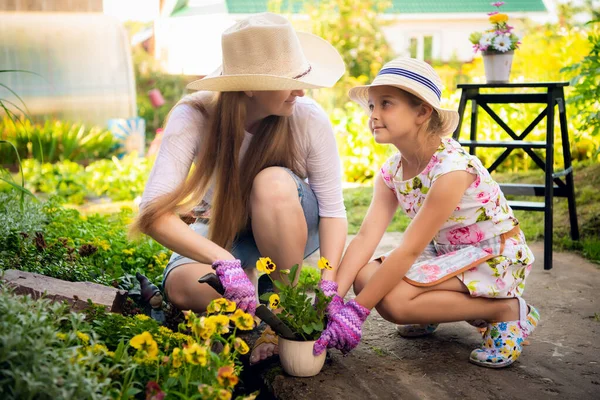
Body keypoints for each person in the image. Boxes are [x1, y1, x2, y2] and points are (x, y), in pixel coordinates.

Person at [132, 13, 348, 365]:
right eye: (290, 80)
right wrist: (224, 261)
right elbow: (153, 214)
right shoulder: (195, 116)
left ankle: (284, 306)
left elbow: (333, 212)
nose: (301, 89)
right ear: (249, 86)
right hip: (224, 228)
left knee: (272, 182)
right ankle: (252, 296)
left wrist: (329, 284)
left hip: (285, 220)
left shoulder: (307, 118)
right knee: (182, 288)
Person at [313, 57, 540, 369]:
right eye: (372, 106)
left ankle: (506, 311)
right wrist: (331, 297)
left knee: (394, 304)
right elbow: (366, 236)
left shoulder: (451, 171)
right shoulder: (392, 171)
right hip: (446, 253)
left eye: (386, 104)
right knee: (365, 279)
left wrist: (356, 313)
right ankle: (432, 310)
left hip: (493, 256)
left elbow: (409, 249)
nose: (374, 115)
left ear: (422, 112)